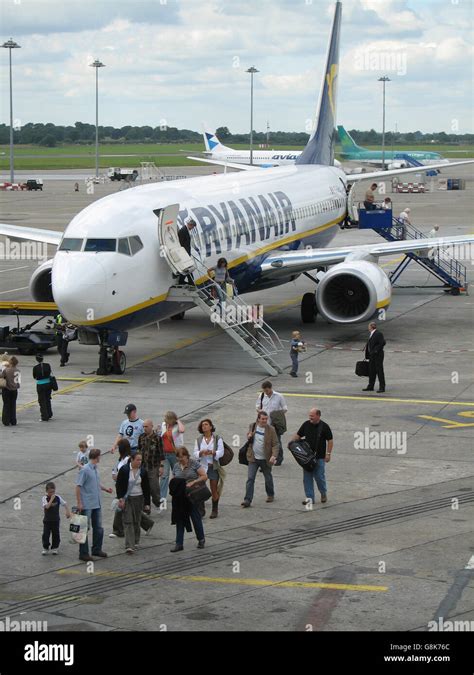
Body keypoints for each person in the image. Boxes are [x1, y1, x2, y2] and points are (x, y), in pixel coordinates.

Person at [75, 448, 112, 562]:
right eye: (100, 456)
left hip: (96, 503)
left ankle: (96, 549)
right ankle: (83, 553)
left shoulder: (95, 469)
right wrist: (79, 503)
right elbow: (78, 486)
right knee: (83, 529)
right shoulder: (85, 470)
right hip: (87, 504)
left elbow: (95, 483)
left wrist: (105, 489)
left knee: (99, 528)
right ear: (97, 457)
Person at [290, 408, 333, 507]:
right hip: (307, 458)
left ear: (318, 416)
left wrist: (328, 454)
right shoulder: (306, 424)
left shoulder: (324, 427)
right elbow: (298, 435)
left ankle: (323, 493)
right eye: (309, 415)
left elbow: (330, 440)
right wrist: (292, 443)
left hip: (320, 457)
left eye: (312, 416)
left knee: (319, 477)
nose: (310, 417)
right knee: (307, 478)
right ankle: (310, 498)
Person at [169, 446, 207, 552]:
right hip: (180, 497)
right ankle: (179, 543)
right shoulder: (176, 466)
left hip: (192, 496)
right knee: (180, 519)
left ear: (186, 455)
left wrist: (194, 482)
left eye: (182, 457)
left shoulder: (194, 464)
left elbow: (204, 476)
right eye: (178, 457)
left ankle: (201, 539)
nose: (180, 459)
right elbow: (173, 479)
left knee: (195, 517)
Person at [241, 411, 279, 508]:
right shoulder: (252, 426)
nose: (264, 421)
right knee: (250, 478)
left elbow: (275, 444)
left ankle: (270, 494)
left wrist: (274, 455)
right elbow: (249, 436)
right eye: (262, 419)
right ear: (258, 419)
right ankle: (247, 499)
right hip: (253, 458)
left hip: (265, 459)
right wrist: (249, 436)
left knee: (268, 478)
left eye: (266, 419)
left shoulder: (271, 430)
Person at [116, 452, 151, 554]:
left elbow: (146, 488)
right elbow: (119, 485)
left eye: (141, 460)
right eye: (137, 460)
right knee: (128, 521)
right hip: (127, 499)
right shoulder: (124, 470)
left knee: (137, 520)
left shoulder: (143, 471)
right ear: (132, 459)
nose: (139, 462)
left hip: (139, 498)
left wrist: (147, 503)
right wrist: (121, 499)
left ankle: (135, 541)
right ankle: (129, 545)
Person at [193, 418, 224, 519]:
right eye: (203, 425)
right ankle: (201, 510)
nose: (204, 426)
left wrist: (213, 452)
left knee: (214, 489)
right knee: (200, 488)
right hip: (202, 467)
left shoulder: (217, 438)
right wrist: (201, 452)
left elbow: (221, 452)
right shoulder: (198, 440)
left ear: (211, 427)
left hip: (213, 466)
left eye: (206, 424)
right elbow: (195, 453)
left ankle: (215, 510)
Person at [256, 381, 288, 466]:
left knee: (277, 442)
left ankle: (279, 458)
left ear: (270, 388)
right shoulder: (262, 396)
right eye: (264, 391)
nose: (265, 392)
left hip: (275, 424)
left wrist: (276, 415)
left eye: (267, 390)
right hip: (264, 423)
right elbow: (257, 407)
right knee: (265, 441)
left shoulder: (279, 396)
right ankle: (267, 459)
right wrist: (260, 412)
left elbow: (285, 408)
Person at [138, 419, 165, 508]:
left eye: (146, 426)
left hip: (153, 466)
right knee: (144, 487)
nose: (145, 428)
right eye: (143, 427)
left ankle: (157, 501)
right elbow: (138, 451)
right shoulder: (141, 437)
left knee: (154, 488)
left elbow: (161, 454)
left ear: (151, 426)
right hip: (143, 466)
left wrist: (161, 466)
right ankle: (146, 506)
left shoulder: (157, 438)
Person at [159, 411, 185, 500]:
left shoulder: (177, 426)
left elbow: (182, 430)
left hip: (175, 454)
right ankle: (162, 497)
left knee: (177, 474)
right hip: (164, 454)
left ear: (171, 419)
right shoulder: (163, 425)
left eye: (166, 418)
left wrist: (178, 420)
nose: (164, 419)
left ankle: (178, 494)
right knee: (164, 476)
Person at [110, 438, 132, 538]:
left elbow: (127, 473)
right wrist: (114, 474)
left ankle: (117, 529)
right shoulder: (121, 459)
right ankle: (147, 523)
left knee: (119, 507)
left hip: (125, 487)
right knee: (128, 508)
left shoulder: (128, 460)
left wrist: (118, 476)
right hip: (119, 485)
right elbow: (115, 470)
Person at [42, 481, 71, 555]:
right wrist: (51, 499)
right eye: (50, 492)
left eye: (53, 492)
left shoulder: (58, 497)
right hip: (47, 520)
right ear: (47, 491)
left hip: (55, 519)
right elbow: (47, 507)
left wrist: (67, 511)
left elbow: (64, 503)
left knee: (56, 534)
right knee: (46, 534)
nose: (52, 494)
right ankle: (45, 547)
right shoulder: (44, 498)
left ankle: (55, 547)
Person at [363, 321, 386, 393]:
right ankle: (370, 386)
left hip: (377, 355)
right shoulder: (372, 334)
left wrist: (375, 350)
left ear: (371, 327)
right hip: (371, 356)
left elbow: (383, 342)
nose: (368, 327)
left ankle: (382, 387)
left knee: (379, 371)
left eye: (369, 326)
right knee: (371, 371)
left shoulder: (378, 334)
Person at [32, 354, 53, 422]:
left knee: (42, 401)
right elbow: (49, 373)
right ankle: (49, 413)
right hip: (48, 384)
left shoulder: (35, 367)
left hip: (40, 385)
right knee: (47, 399)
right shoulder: (47, 365)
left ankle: (44, 416)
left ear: (36, 359)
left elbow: (34, 377)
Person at [1, 355, 20, 426]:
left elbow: (1, 376)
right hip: (14, 390)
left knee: (6, 405)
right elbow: (18, 382)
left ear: (10, 362)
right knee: (13, 405)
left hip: (7, 390)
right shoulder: (18, 371)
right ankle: (13, 420)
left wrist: (5, 367)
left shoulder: (6, 370)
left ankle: (6, 421)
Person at [177, 218, 197, 284]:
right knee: (188, 269)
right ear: (190, 225)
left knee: (188, 269)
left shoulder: (185, 230)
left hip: (186, 254)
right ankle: (190, 282)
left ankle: (182, 281)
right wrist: (184, 254)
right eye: (192, 226)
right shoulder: (183, 231)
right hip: (184, 254)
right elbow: (181, 243)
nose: (192, 228)